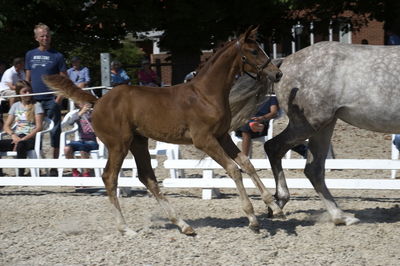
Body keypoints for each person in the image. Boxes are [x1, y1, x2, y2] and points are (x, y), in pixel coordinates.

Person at [25, 23, 67, 175]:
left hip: (51, 100)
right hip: (35, 100)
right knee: (33, 131)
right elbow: (28, 78)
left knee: (54, 132)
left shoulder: (57, 56)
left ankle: (54, 167)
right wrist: (26, 98)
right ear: (36, 38)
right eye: (42, 36)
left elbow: (65, 80)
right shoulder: (30, 54)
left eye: (47, 35)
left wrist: (59, 98)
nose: (45, 38)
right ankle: (35, 167)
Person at [0, 80, 44, 176]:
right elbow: (6, 126)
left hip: (31, 138)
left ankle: (20, 174)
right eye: (25, 92)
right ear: (18, 93)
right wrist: (13, 136)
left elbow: (39, 127)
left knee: (21, 145)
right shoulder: (15, 106)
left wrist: (22, 139)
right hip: (17, 137)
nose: (28, 94)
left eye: (29, 91)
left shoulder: (37, 105)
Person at [64, 102, 98, 177]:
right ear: (78, 105)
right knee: (67, 148)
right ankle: (75, 171)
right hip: (81, 140)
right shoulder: (77, 114)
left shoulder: (95, 112)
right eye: (81, 102)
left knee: (83, 149)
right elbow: (70, 122)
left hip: (93, 140)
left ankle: (86, 173)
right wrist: (81, 113)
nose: (84, 104)